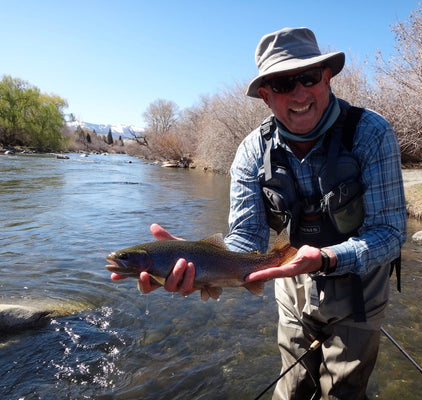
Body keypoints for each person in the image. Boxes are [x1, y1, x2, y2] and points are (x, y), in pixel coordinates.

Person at [111, 27, 406, 400]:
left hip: (362, 286)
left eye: (308, 77)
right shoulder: (252, 152)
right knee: (292, 389)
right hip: (288, 279)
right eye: (282, 84)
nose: (299, 93)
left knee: (344, 393)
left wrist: (327, 259)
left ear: (327, 77)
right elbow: (246, 239)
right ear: (266, 96)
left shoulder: (372, 134)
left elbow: (390, 232)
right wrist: (197, 259)